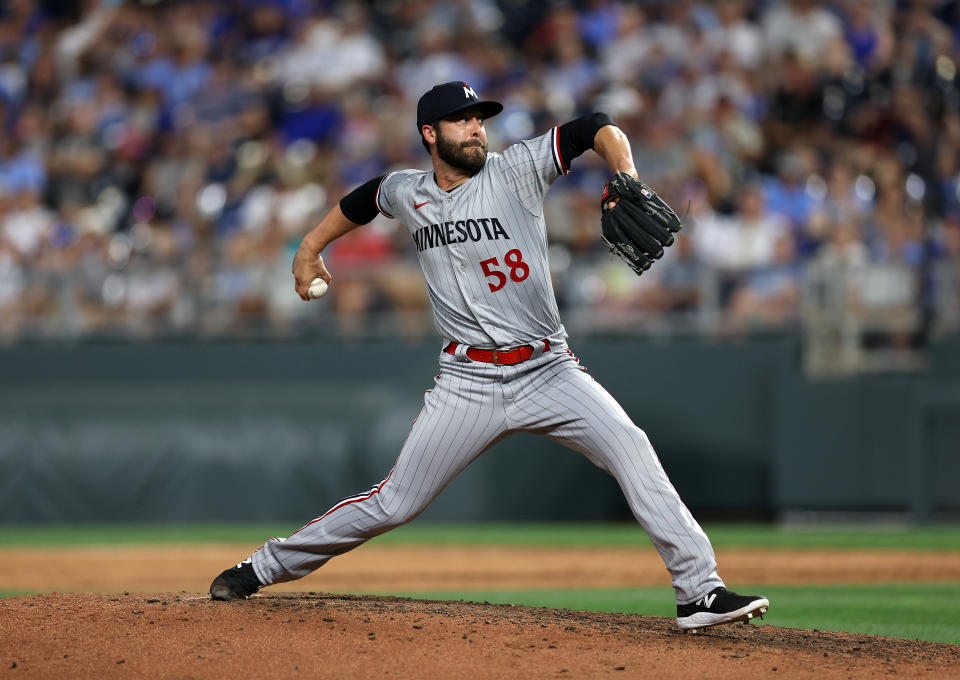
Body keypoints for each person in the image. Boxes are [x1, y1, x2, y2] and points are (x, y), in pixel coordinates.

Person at [209, 81, 770, 631]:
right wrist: (309, 247)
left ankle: (700, 592)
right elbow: (366, 198)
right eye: (462, 119)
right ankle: (263, 566)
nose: (476, 127)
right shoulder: (410, 192)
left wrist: (624, 173)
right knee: (393, 504)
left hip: (548, 370)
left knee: (631, 447)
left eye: (480, 118)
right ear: (431, 134)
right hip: (467, 382)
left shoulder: (517, 168)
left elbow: (593, 127)